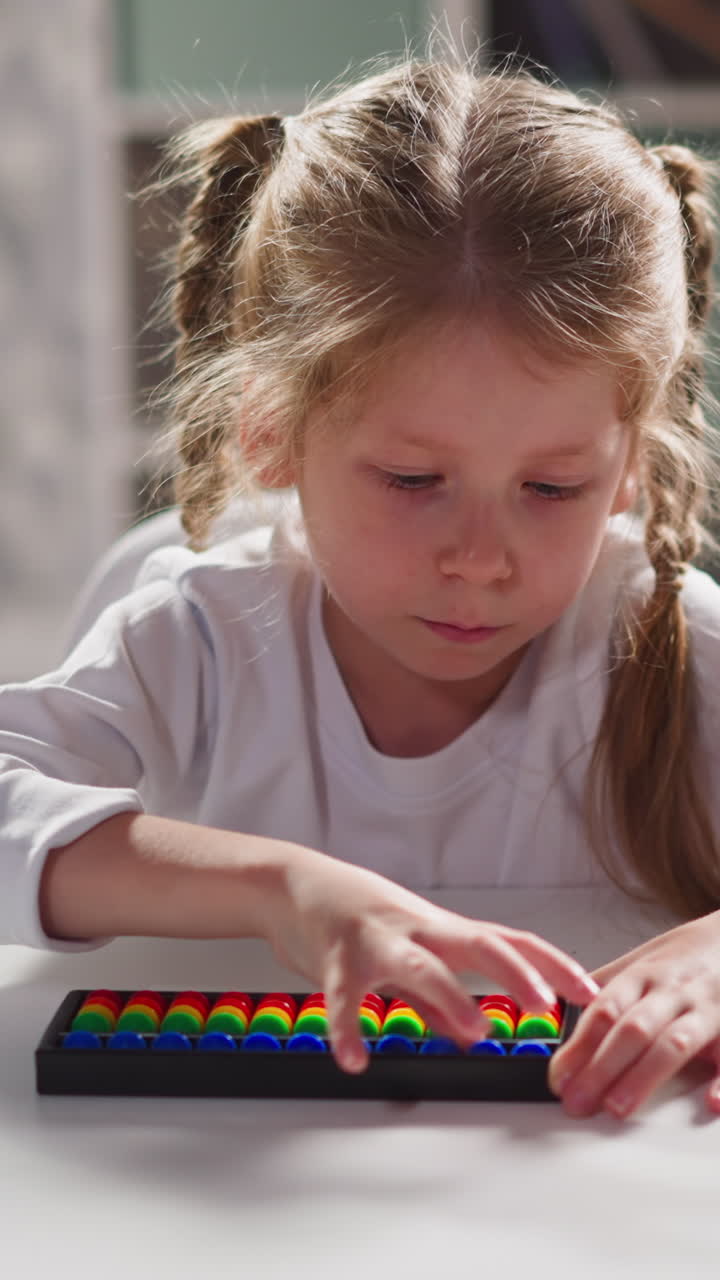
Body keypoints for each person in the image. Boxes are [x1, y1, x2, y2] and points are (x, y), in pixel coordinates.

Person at [1, 51, 720, 1122]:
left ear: (631, 468)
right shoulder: (199, 637)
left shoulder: (674, 645)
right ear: (270, 431)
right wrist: (276, 885)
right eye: (413, 480)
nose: (482, 555)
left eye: (553, 485)